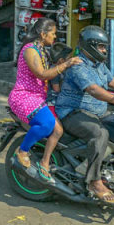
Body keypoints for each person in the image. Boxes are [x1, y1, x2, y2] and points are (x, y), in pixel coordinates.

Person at [54, 25, 114, 203]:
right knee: (100, 133)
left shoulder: (99, 65)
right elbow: (93, 90)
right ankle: (94, 181)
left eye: (105, 47)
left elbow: (112, 81)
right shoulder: (78, 65)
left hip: (94, 113)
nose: (104, 50)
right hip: (72, 113)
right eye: (101, 47)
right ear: (90, 46)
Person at [8, 19, 82, 183]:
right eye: (53, 33)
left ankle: (44, 163)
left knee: (58, 130)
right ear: (43, 34)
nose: (55, 36)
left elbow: (51, 71)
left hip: (39, 98)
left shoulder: (42, 50)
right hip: (24, 96)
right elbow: (42, 74)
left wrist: (63, 64)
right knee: (46, 124)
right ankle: (22, 151)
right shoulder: (30, 51)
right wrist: (66, 64)